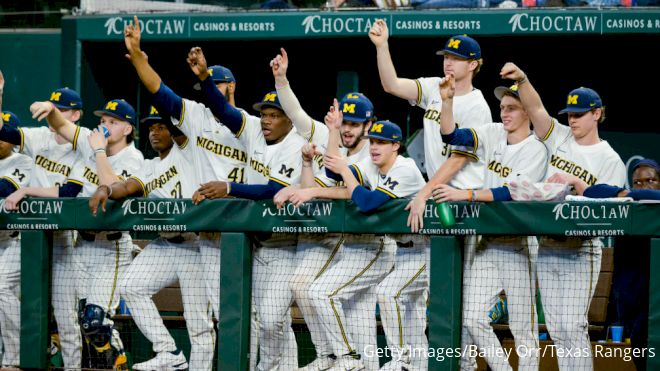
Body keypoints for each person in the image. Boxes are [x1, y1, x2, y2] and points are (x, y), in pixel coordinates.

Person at [369, 22, 492, 369]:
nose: (448, 63)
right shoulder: (433, 88)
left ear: (473, 64)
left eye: (457, 58)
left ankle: (460, 365)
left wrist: (423, 191)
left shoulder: (478, 106)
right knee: (438, 293)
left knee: (459, 296)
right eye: (446, 57)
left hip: (463, 201)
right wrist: (382, 46)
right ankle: (418, 362)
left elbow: (459, 157)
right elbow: (391, 85)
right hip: (441, 197)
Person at [123, 16, 248, 333]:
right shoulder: (196, 116)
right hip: (208, 233)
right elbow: (160, 92)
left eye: (215, 85)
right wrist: (138, 57)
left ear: (230, 87)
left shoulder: (252, 125)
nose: (209, 92)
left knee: (259, 312)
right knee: (223, 314)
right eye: (205, 87)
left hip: (245, 226)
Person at [187, 46, 307, 370]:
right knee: (270, 321)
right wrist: (203, 78)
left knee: (271, 319)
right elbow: (224, 112)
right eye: (264, 114)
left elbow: (272, 190)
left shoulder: (296, 145)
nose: (266, 121)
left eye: (274, 115)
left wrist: (228, 187)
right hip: (257, 244)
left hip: (286, 243)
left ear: (289, 119)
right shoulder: (253, 128)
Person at [501, 62, 626, 370]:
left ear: (596, 113)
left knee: (574, 326)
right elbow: (536, 107)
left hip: (580, 249)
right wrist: (523, 80)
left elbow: (611, 210)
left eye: (579, 114)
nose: (572, 120)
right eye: (570, 114)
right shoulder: (560, 138)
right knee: (556, 330)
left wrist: (579, 186)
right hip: (548, 245)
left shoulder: (610, 159)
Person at [269, 48, 382, 370]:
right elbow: (298, 114)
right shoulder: (326, 134)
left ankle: (346, 356)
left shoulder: (372, 154)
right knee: (302, 286)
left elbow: (349, 189)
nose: (347, 129)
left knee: (362, 330)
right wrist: (281, 80)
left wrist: (306, 189)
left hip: (361, 243)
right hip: (326, 237)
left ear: (369, 124)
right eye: (344, 122)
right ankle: (328, 354)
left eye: (355, 124)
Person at [433, 78, 548, 371]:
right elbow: (452, 137)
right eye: (501, 107)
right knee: (471, 318)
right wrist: (447, 102)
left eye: (512, 108)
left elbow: (510, 192)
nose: (504, 113)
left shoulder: (537, 147)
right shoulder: (494, 133)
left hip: (518, 242)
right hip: (488, 243)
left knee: (523, 328)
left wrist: (465, 194)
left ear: (527, 113)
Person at [88, 107, 214, 370]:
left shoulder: (188, 153)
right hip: (165, 245)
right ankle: (169, 352)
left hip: (194, 244)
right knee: (131, 287)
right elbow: (125, 187)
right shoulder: (149, 166)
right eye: (151, 128)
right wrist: (106, 188)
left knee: (198, 321)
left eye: (161, 127)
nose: (155, 132)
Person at [28, 97, 144, 370]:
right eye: (103, 121)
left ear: (127, 129)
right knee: (81, 320)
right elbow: (64, 127)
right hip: (82, 245)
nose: (104, 126)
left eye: (113, 122)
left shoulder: (134, 158)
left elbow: (112, 186)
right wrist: (52, 111)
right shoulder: (90, 143)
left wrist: (99, 152)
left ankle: (118, 365)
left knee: (96, 320)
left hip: (110, 247)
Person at [308, 110, 425, 371]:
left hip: (428, 249)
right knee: (414, 324)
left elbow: (366, 202)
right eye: (372, 141)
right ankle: (412, 364)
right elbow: (334, 172)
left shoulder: (405, 168)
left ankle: (401, 361)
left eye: (382, 142)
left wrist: (344, 172)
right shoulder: (371, 165)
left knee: (389, 293)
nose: (374, 146)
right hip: (404, 252)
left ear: (396, 145)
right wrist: (333, 132)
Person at [0, 86, 84, 370]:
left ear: (76, 115)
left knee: (65, 315)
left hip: (63, 237)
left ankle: (72, 368)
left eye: (62, 111)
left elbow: (69, 193)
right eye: (54, 109)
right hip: (30, 234)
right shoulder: (40, 137)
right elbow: (5, 132)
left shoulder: (84, 145)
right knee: (1, 286)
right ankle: (14, 357)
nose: (56, 116)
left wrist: (26, 189)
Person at [583, 158, 660, 371]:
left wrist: (631, 194)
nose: (644, 186)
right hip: (631, 297)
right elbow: (591, 192)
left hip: (656, 299)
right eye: (638, 183)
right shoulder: (625, 207)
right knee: (639, 349)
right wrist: (622, 195)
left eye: (650, 180)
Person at [0, 111, 33, 369]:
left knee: (1, 289)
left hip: (15, 240)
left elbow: (5, 188)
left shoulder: (24, 161)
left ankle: (15, 357)